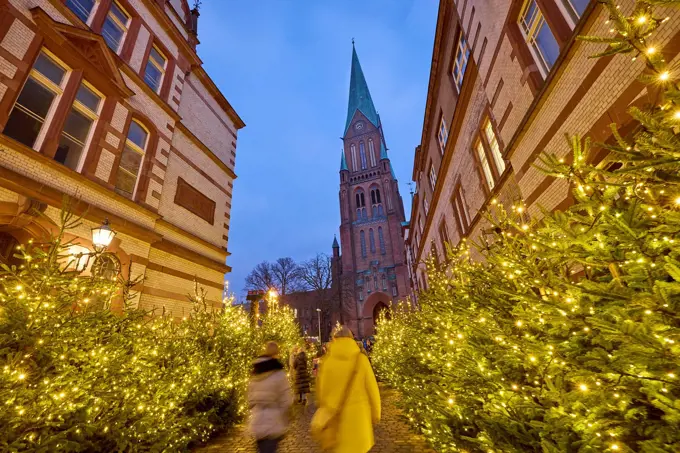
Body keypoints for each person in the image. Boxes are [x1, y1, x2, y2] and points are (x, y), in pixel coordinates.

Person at [313, 326, 381, 453]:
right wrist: (376, 414)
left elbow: (321, 394)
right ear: (351, 338)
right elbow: (372, 389)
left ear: (334, 339)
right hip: (359, 421)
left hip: (336, 425)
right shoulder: (361, 360)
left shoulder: (327, 362)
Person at [247, 341, 293, 453]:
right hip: (273, 420)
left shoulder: (255, 372)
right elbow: (286, 399)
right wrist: (287, 415)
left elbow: (250, 398)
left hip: (257, 420)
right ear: (277, 353)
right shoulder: (279, 373)